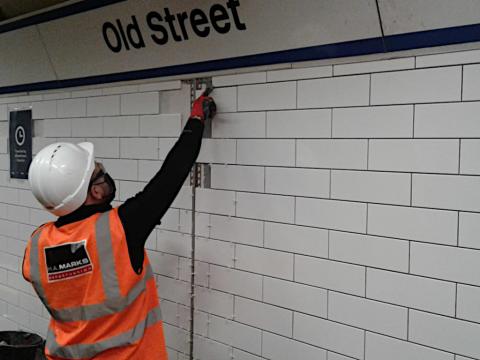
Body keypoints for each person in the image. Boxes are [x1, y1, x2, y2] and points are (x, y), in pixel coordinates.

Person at [22, 93, 216, 360]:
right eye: (99, 173)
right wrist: (196, 119)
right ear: (96, 192)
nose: (105, 174)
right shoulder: (120, 229)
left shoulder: (36, 245)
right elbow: (170, 176)